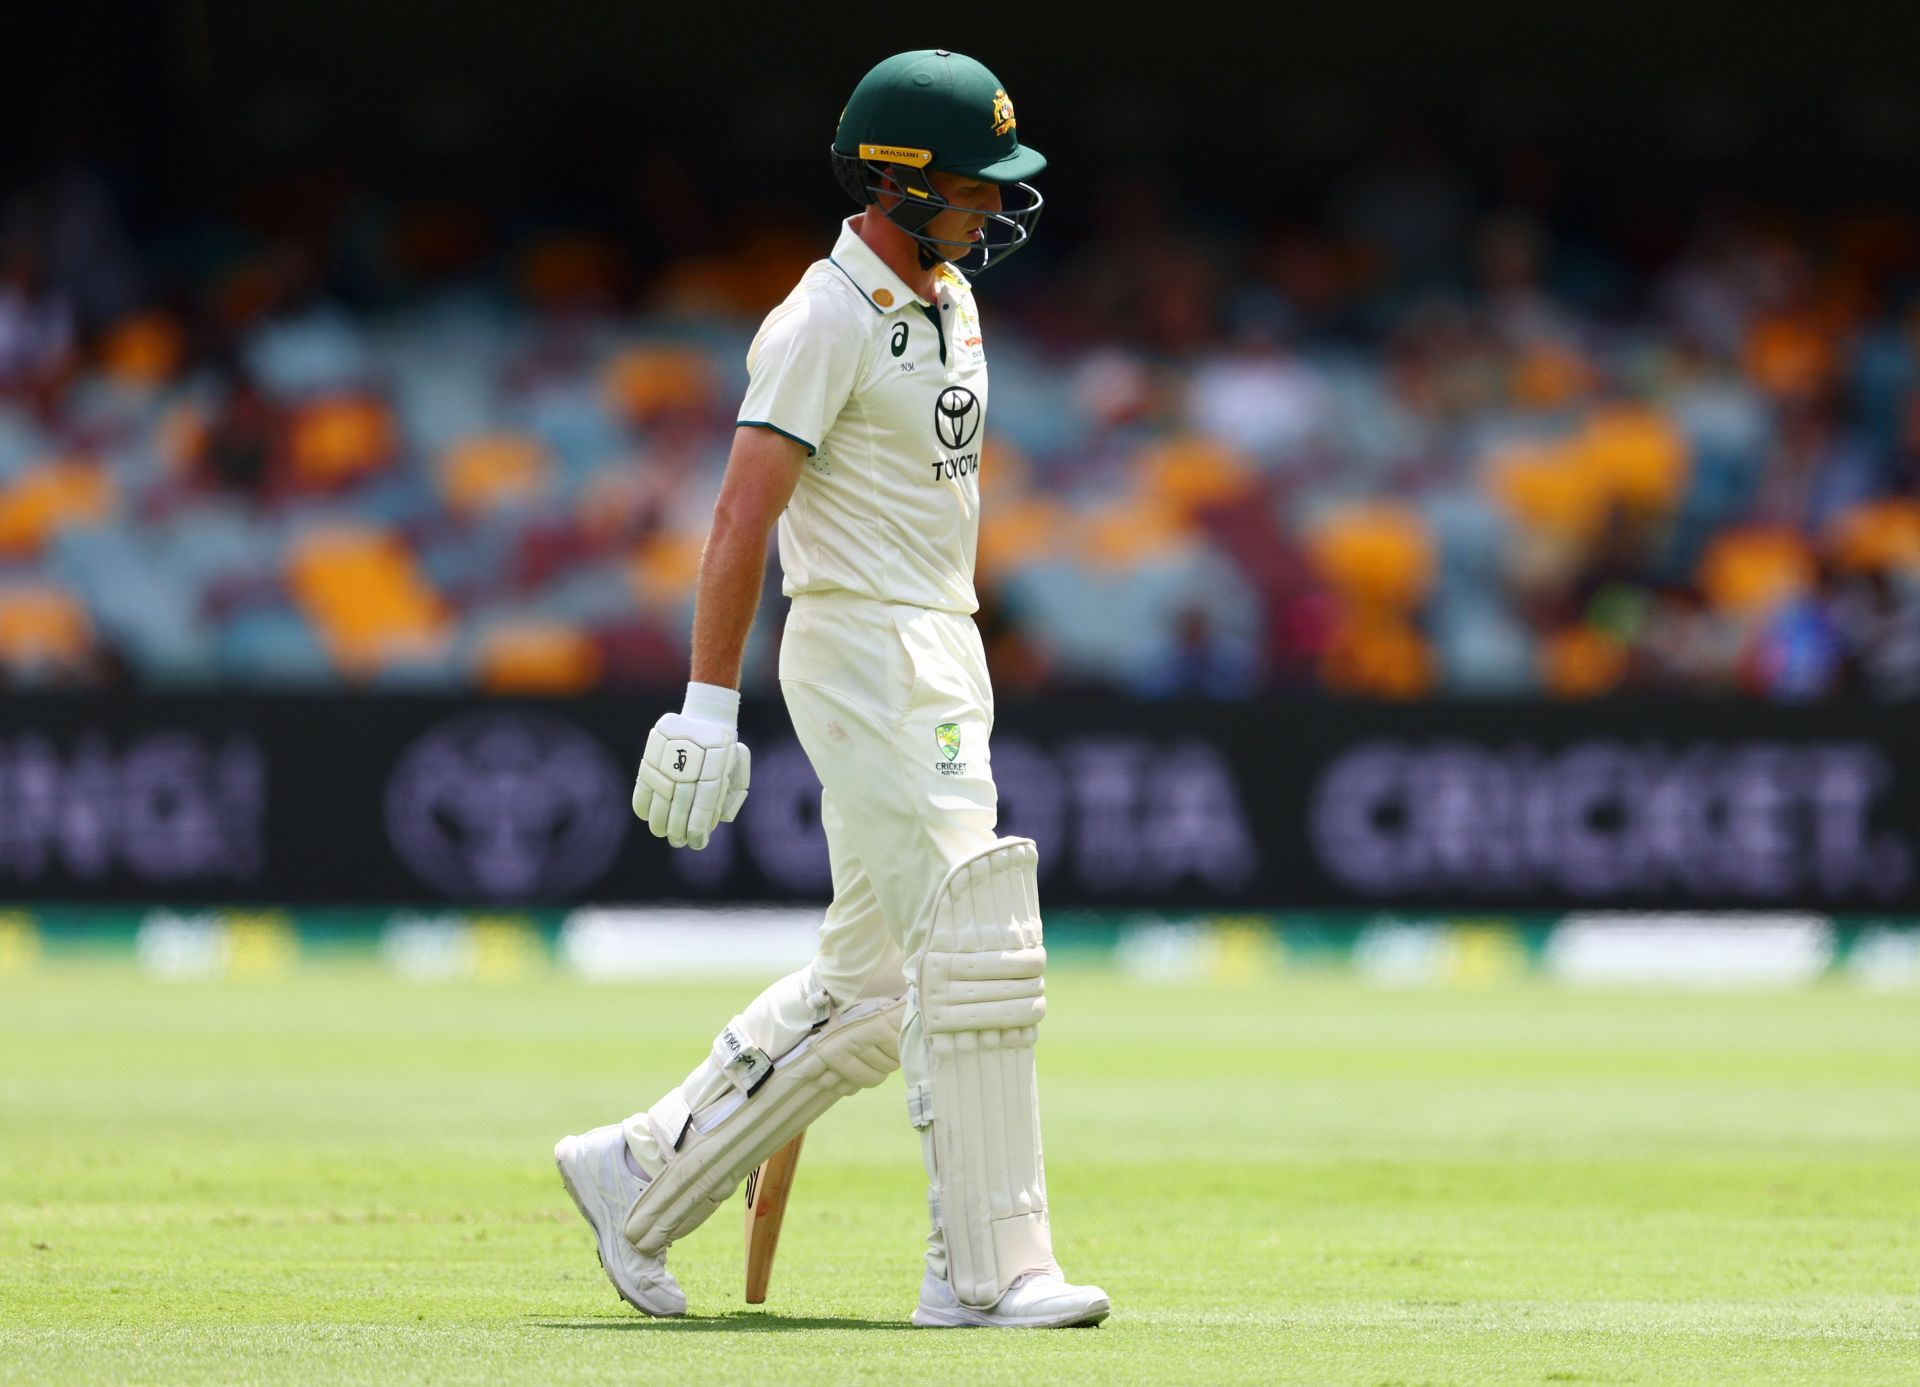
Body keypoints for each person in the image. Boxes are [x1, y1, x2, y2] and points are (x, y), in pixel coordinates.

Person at [554, 50, 1109, 1329]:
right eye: (974, 185)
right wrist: (706, 703)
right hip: (861, 648)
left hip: (937, 644)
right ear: (898, 181)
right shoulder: (825, 317)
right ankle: (985, 1271)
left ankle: (639, 1170)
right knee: (976, 941)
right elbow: (742, 517)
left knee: (871, 996)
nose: (994, 208)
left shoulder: (951, 297)